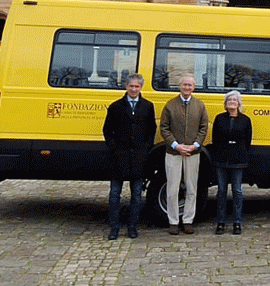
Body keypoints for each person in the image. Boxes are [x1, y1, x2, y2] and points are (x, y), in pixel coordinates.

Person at [102, 73, 156, 240]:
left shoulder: (148, 106)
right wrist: (114, 149)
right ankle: (114, 227)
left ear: (141, 87)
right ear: (126, 87)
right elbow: (107, 130)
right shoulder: (115, 106)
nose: (134, 89)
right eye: (131, 86)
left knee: (137, 196)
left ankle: (132, 226)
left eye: (137, 86)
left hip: (139, 159)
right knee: (114, 195)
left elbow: (151, 130)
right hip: (119, 158)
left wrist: (145, 148)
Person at [160, 74, 209, 235]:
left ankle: (188, 220)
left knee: (191, 188)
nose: (187, 88)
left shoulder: (200, 105)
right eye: (184, 85)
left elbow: (204, 127)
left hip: (193, 153)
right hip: (173, 152)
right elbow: (164, 128)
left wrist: (194, 145)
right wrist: (176, 145)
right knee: (172, 189)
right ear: (180, 86)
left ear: (193, 87)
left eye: (190, 85)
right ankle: (173, 221)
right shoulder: (170, 105)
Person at [210, 90, 252, 235]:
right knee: (221, 191)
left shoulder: (245, 120)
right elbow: (215, 139)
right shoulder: (219, 118)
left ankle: (237, 223)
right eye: (229, 100)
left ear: (239, 103)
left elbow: (247, 141)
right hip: (221, 159)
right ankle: (220, 223)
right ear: (225, 104)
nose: (232, 102)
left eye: (234, 100)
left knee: (237, 191)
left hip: (238, 160)